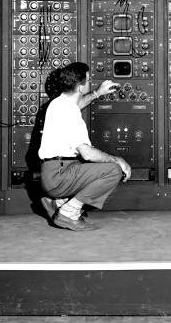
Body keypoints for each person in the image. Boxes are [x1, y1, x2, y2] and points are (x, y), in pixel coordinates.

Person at [38, 62, 132, 231]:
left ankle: (59, 203)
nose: (90, 83)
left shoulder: (58, 103)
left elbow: (78, 104)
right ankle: (69, 212)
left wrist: (97, 93)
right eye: (88, 80)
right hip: (59, 175)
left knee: (91, 167)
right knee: (113, 171)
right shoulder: (69, 112)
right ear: (81, 87)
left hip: (51, 172)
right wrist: (117, 160)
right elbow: (87, 154)